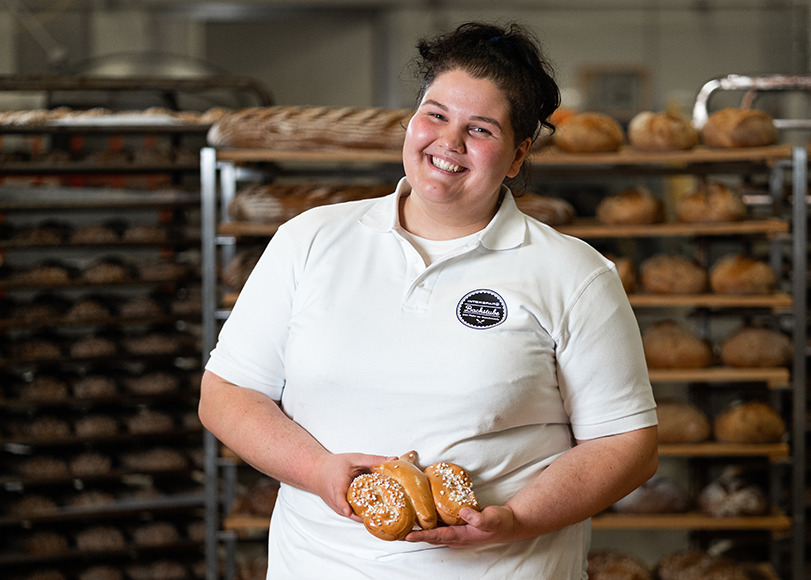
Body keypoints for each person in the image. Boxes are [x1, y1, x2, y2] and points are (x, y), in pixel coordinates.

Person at [199, 21, 658, 579]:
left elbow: (627, 445)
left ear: (518, 156)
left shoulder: (572, 273)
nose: (449, 142)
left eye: (481, 129)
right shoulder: (311, 239)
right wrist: (317, 471)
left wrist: (516, 518)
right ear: (412, 121)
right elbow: (227, 393)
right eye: (435, 115)